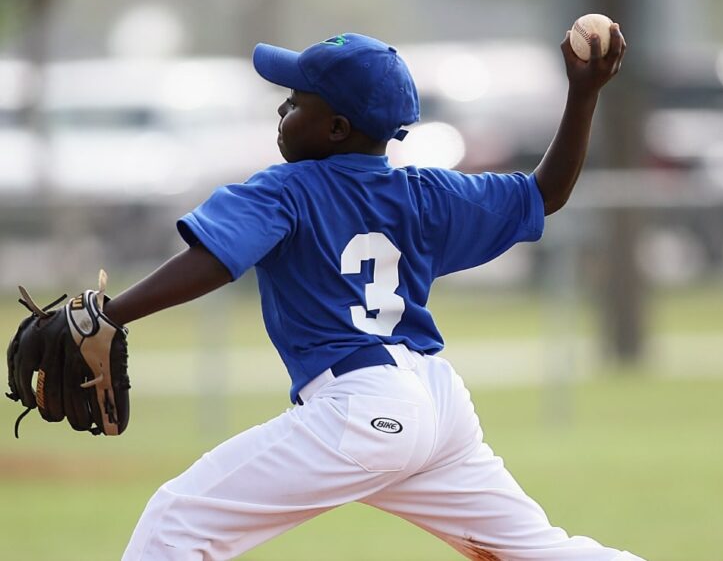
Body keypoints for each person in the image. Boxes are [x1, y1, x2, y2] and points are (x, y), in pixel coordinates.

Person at [116, 28, 638, 560]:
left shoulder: (289, 189)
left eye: (296, 103)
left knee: (177, 521)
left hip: (363, 408)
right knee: (538, 552)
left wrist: (111, 316)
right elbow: (545, 192)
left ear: (337, 128)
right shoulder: (425, 194)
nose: (282, 110)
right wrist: (583, 93)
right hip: (439, 405)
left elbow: (213, 260)